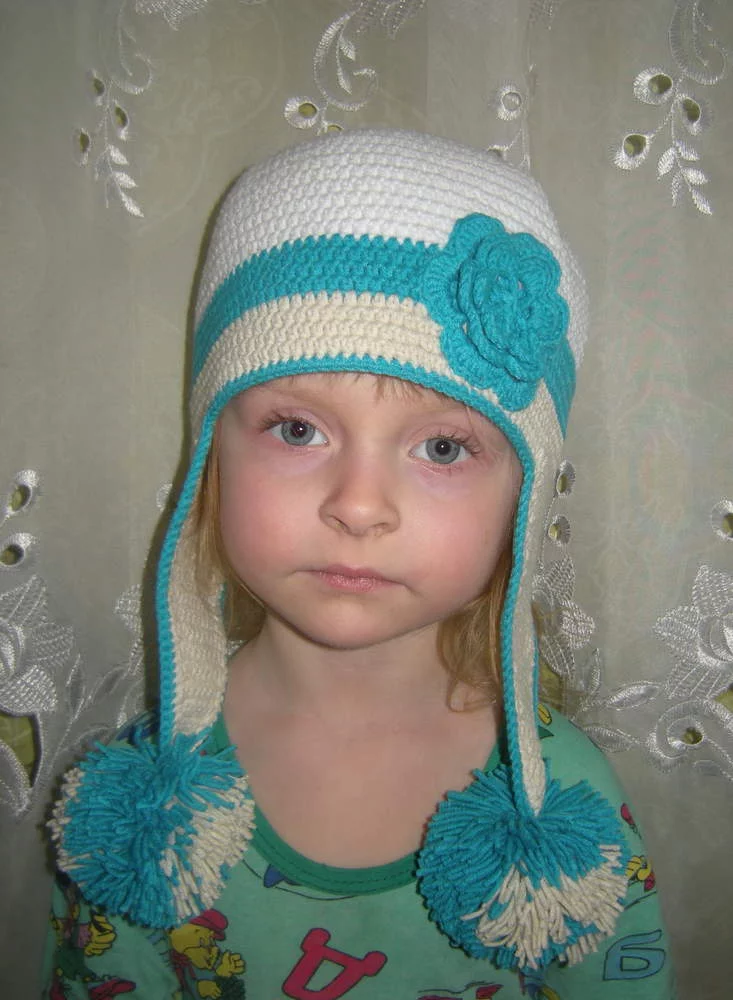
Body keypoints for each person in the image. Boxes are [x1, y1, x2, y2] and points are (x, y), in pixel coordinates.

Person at [43, 128, 674, 999]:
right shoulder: (143, 810)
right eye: (297, 429)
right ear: (210, 458)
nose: (359, 505)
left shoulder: (558, 806)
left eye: (443, 447)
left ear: (523, 503)